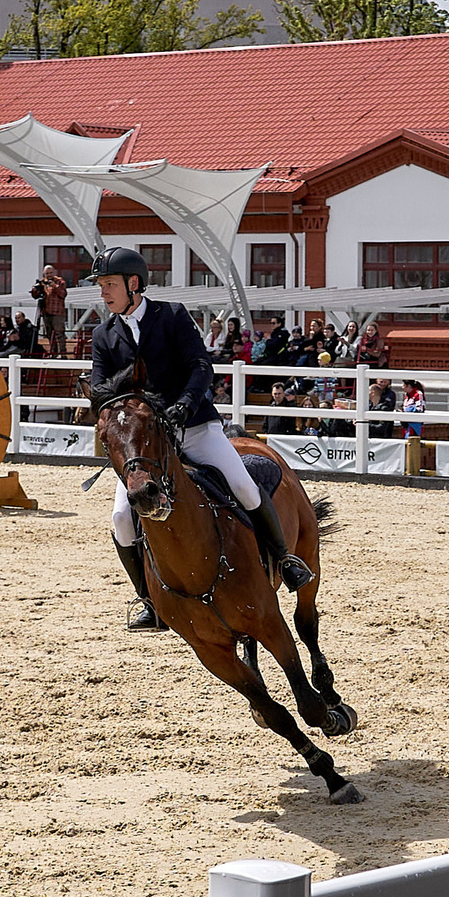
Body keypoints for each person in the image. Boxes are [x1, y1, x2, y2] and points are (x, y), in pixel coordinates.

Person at [88, 246, 310, 633]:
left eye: (109, 284)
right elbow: (99, 389)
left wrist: (186, 404)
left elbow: (200, 366)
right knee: (122, 519)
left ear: (133, 283)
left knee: (243, 485)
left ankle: (285, 560)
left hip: (192, 427)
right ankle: (149, 600)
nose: (103, 292)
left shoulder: (171, 316)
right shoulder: (104, 335)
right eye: (101, 285)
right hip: (146, 444)